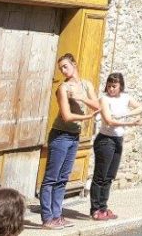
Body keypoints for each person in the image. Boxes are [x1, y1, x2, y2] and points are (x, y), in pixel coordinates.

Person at [40, 53, 99, 230]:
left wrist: (81, 98)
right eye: (61, 68)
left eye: (65, 66)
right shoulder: (63, 88)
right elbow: (66, 116)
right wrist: (88, 116)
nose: (63, 71)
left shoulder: (86, 84)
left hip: (74, 137)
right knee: (51, 178)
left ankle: (57, 216)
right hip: (60, 135)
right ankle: (47, 218)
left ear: (74, 64)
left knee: (63, 178)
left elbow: (97, 105)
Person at [91, 72, 142, 220]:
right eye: (109, 86)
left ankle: (103, 207)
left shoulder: (125, 98)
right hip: (105, 140)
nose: (111, 89)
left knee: (109, 177)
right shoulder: (104, 99)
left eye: (114, 86)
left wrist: (125, 114)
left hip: (117, 140)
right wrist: (130, 122)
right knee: (100, 177)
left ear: (120, 86)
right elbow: (109, 121)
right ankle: (95, 209)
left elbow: (140, 108)